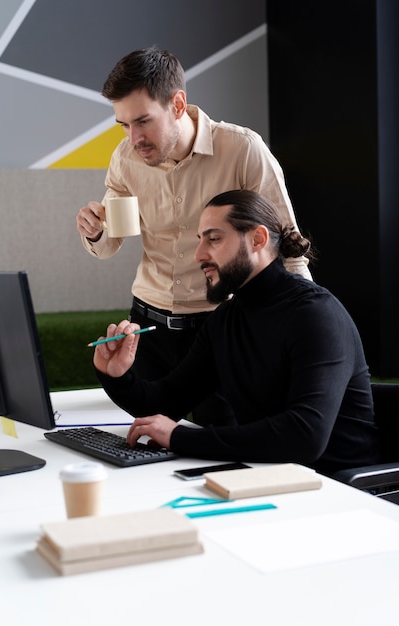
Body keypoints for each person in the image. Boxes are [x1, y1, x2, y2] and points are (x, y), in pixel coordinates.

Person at [77, 46, 312, 425]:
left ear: (178, 104)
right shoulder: (125, 157)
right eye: (123, 125)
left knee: (224, 452)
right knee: (144, 444)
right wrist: (96, 232)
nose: (133, 138)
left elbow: (287, 246)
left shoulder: (242, 150)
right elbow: (109, 243)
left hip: (221, 325)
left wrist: (310, 326)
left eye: (143, 121)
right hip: (147, 327)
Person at [92, 189, 380, 476]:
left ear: (258, 239)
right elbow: (167, 401)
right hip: (267, 475)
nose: (199, 255)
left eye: (214, 239)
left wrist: (180, 438)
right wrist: (116, 376)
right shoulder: (226, 319)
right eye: (200, 240)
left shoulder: (316, 314)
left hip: (338, 491)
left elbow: (304, 436)